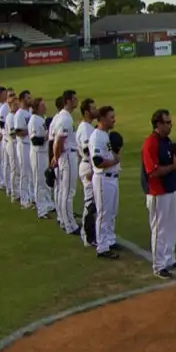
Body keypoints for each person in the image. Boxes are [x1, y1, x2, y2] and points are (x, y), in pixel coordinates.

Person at [142, 109, 176, 278]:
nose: (170, 125)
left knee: (171, 227)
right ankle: (159, 265)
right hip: (157, 192)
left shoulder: (167, 141)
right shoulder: (150, 143)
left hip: (168, 191)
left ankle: (169, 259)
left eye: (170, 122)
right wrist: (173, 168)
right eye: (167, 122)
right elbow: (152, 171)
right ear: (158, 124)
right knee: (159, 230)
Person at [90, 106, 123, 260]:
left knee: (112, 212)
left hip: (112, 179)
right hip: (103, 179)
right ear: (102, 119)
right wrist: (114, 161)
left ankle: (110, 239)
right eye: (111, 117)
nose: (114, 119)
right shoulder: (96, 136)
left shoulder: (105, 135)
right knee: (103, 213)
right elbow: (97, 161)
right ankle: (102, 247)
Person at [48, 91, 81, 236]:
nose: (77, 101)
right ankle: (70, 224)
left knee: (62, 190)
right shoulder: (65, 119)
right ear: (67, 101)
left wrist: (56, 157)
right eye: (74, 99)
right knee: (68, 191)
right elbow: (58, 141)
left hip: (64, 155)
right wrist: (56, 157)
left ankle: (63, 219)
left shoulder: (60, 117)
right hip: (67, 155)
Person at [76, 98, 101, 248]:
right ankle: (87, 235)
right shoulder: (85, 128)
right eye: (93, 108)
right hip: (88, 165)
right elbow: (87, 149)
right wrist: (92, 169)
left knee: (94, 203)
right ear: (86, 112)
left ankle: (91, 234)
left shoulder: (87, 127)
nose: (96, 110)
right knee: (90, 203)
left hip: (88, 165)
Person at [26, 97, 52, 220]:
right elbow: (35, 140)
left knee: (46, 180)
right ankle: (41, 209)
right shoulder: (34, 120)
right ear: (36, 108)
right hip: (37, 154)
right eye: (42, 105)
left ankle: (48, 204)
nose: (45, 107)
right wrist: (48, 135)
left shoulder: (42, 118)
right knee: (39, 181)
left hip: (44, 153)